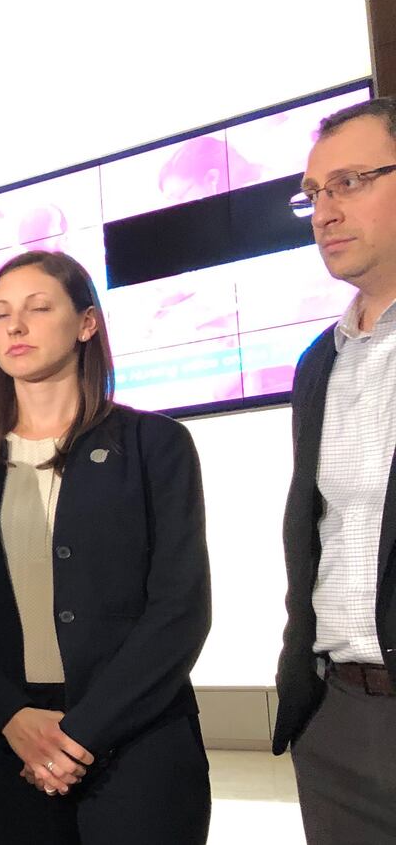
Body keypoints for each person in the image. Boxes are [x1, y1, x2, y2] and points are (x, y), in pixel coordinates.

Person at [0, 251, 211, 845]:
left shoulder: (154, 445)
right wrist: (9, 717)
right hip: (7, 746)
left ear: (87, 323)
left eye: (38, 308)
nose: (15, 325)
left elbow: (180, 610)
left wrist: (82, 732)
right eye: (0, 314)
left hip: (137, 740)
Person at [273, 96, 396, 842]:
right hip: (338, 718)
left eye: (349, 182)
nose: (325, 211)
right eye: (313, 193)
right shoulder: (320, 363)